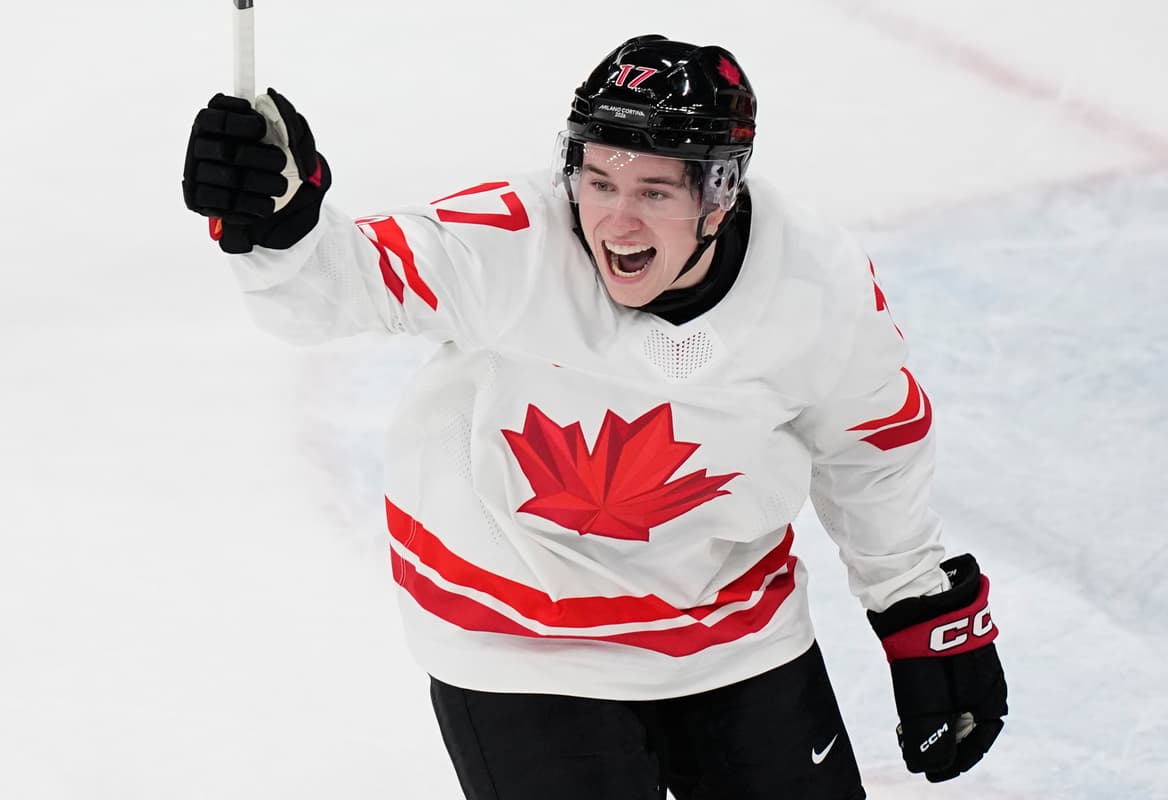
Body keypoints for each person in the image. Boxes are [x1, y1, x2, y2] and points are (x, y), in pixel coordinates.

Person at [182, 34, 1007, 799]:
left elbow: (873, 447)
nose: (617, 220)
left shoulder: (815, 285)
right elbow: (336, 289)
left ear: (720, 196)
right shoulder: (517, 239)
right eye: (600, 182)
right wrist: (279, 224)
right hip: (519, 641)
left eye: (654, 191)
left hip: (733, 633)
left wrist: (917, 602)